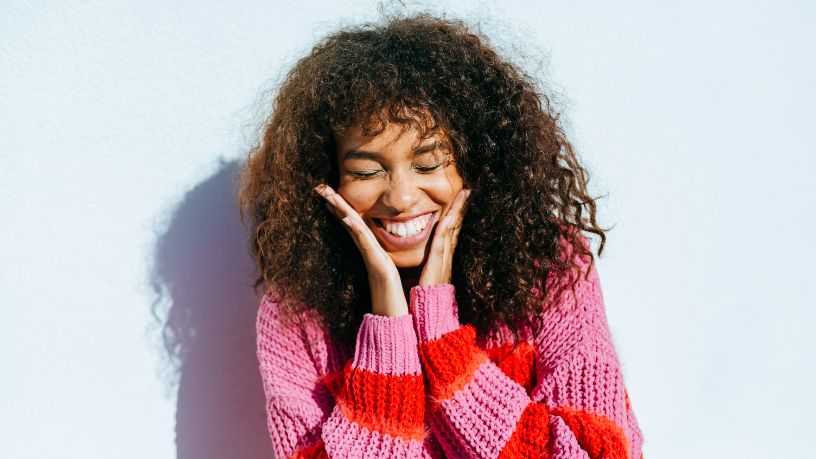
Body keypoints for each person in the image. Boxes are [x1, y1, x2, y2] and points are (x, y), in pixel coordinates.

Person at [236, 13, 644, 459]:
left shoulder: (548, 265)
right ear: (328, 178)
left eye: (428, 164)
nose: (401, 196)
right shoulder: (296, 313)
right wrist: (388, 335)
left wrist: (444, 343)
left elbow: (599, 452)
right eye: (367, 171)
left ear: (477, 161)